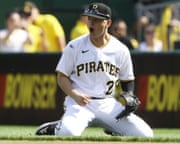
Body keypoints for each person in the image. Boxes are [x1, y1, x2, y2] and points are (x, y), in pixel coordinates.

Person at [35, 2, 153, 137]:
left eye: (96, 20)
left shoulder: (120, 50)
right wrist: (74, 94)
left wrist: (130, 95)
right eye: (89, 19)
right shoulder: (74, 46)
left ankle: (115, 129)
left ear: (108, 23)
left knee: (145, 135)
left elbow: (127, 79)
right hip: (79, 103)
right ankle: (56, 127)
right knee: (68, 133)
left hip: (107, 103)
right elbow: (62, 76)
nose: (91, 23)